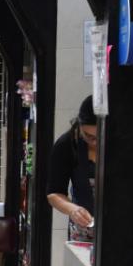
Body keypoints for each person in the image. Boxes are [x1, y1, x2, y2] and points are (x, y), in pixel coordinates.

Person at [47, 95, 96, 241]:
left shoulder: (123, 143)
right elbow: (54, 193)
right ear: (79, 125)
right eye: (88, 136)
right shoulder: (66, 144)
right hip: (83, 229)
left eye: (100, 137)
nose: (94, 142)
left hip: (120, 228)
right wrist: (73, 209)